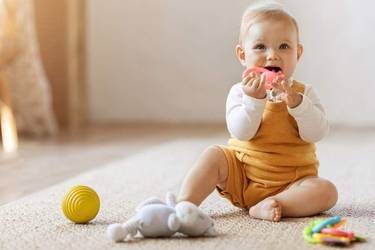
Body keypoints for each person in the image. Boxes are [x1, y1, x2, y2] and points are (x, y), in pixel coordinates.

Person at [177, 1, 338, 222]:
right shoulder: (239, 92)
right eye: (260, 47)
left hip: (292, 182)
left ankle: (273, 205)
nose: (272, 55)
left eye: (284, 46)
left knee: (327, 191)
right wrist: (254, 100)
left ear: (298, 53)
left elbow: (317, 133)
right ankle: (184, 204)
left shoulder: (303, 93)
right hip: (242, 175)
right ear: (243, 55)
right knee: (213, 155)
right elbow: (242, 132)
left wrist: (297, 104)